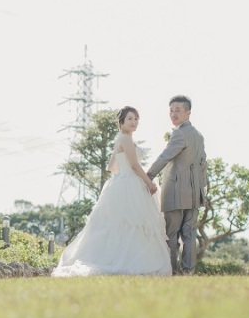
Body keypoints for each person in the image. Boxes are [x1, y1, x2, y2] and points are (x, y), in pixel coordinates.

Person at [52, 106, 172, 277]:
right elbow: (135, 165)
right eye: (130, 119)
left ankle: (119, 259)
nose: (134, 122)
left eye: (136, 119)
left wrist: (123, 174)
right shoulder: (126, 139)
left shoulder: (122, 139)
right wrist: (148, 183)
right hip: (130, 182)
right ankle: (131, 262)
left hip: (123, 182)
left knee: (125, 225)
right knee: (133, 224)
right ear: (121, 121)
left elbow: (111, 167)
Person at [146, 95, 207, 275]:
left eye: (178, 110)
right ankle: (188, 271)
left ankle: (171, 271)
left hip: (176, 190)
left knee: (171, 234)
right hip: (195, 193)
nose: (173, 114)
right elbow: (203, 163)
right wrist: (202, 189)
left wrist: (148, 176)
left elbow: (165, 156)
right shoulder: (198, 135)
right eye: (171, 111)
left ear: (188, 113)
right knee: (189, 234)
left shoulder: (179, 133)